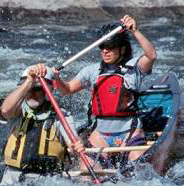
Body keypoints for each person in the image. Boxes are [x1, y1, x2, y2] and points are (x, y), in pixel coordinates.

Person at [53, 15, 157, 170]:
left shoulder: (134, 68)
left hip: (130, 132)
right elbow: (67, 89)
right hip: (101, 134)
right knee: (87, 170)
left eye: (110, 48)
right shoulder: (91, 71)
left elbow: (151, 55)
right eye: (102, 47)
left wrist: (135, 31)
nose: (105, 51)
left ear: (122, 49)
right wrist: (56, 78)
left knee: (139, 168)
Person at [0, 63, 84, 185]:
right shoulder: (17, 111)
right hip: (13, 177)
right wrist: (29, 82)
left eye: (37, 89)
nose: (32, 94)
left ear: (49, 90)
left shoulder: (61, 115)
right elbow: (5, 110)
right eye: (29, 90)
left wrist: (76, 147)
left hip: (48, 180)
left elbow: (73, 141)